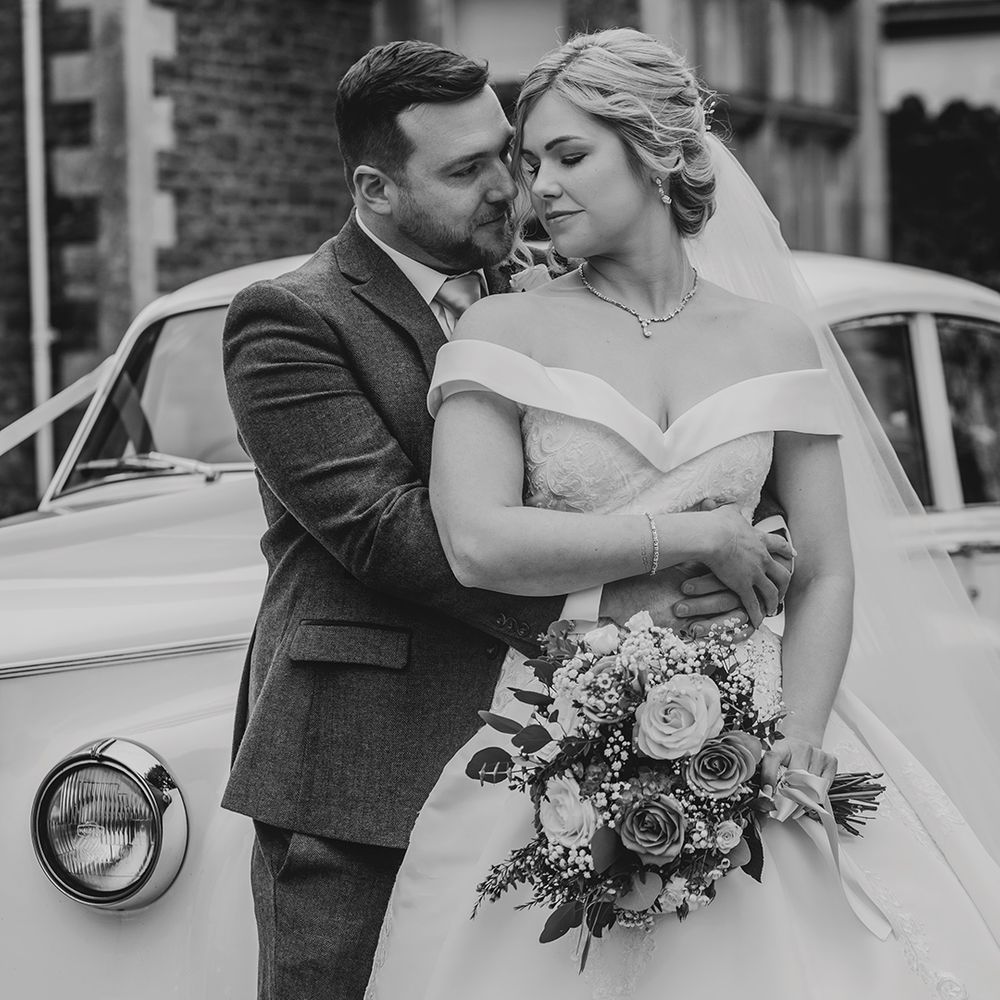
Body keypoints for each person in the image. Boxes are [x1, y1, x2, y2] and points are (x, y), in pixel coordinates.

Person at [364, 29, 1000, 999]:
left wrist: (796, 740)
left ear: (657, 152)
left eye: (569, 157)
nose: (539, 190)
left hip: (762, 712)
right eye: (531, 165)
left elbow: (826, 569)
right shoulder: (505, 328)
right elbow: (477, 540)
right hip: (559, 722)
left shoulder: (771, 337)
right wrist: (702, 535)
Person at [221, 40, 790, 1000]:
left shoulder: (554, 283)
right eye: (466, 170)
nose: (509, 188)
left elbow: (687, 448)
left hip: (577, 756)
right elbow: (388, 529)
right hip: (367, 766)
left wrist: (755, 539)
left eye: (508, 155)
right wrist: (635, 600)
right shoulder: (290, 318)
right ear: (375, 189)